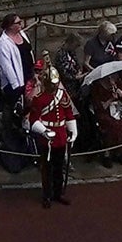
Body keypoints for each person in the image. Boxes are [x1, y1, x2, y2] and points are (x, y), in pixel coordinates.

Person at [30, 62, 80, 205]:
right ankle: (47, 195)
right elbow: (33, 120)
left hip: (61, 135)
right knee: (47, 169)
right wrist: (44, 131)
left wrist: (73, 130)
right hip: (48, 137)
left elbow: (68, 113)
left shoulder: (62, 94)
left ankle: (58, 193)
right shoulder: (39, 98)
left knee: (59, 168)